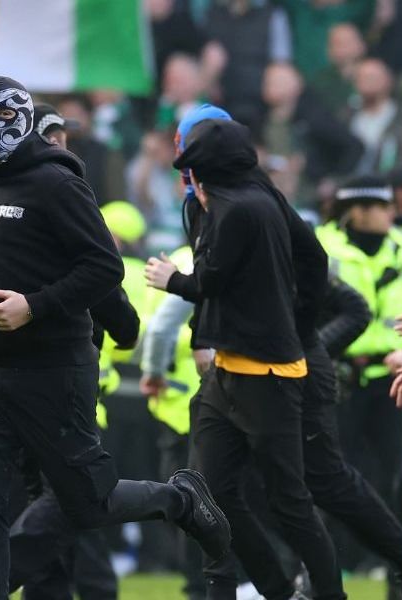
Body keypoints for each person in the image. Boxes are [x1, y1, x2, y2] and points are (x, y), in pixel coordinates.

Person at [0, 78, 229, 600]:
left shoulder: (56, 184)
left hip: (54, 370)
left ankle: (178, 499)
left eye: (1, 117)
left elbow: (103, 268)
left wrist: (33, 307)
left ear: (24, 123)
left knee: (88, 502)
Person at [145, 117, 354, 599]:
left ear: (201, 174)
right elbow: (315, 259)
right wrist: (299, 323)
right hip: (230, 372)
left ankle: (324, 594)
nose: (188, 180)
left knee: (290, 503)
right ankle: (276, 590)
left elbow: (209, 282)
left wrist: (170, 278)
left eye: (190, 170)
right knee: (209, 492)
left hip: (267, 378)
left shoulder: (235, 209)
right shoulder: (264, 200)